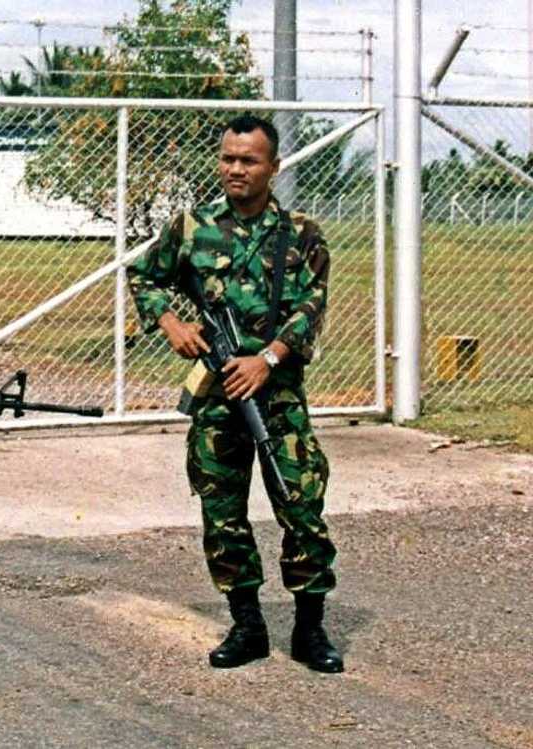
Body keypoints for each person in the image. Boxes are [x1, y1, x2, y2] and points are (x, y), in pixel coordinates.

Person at [127, 114, 343, 674]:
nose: (235, 169)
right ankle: (246, 624)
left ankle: (309, 629)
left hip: (278, 397)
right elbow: (144, 277)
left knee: (301, 508)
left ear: (273, 167)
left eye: (248, 160)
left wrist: (267, 359)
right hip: (218, 397)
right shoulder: (192, 228)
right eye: (228, 158)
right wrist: (171, 323)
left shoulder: (300, 233)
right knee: (222, 515)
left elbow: (311, 307)